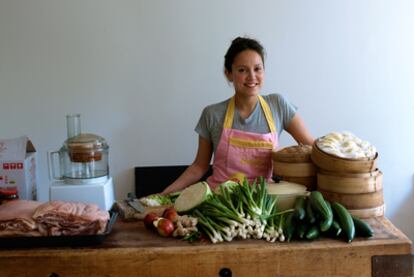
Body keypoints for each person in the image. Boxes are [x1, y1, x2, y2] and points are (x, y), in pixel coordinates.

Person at [161, 36, 314, 194]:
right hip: (220, 203)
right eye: (242, 70)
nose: (252, 76)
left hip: (263, 206)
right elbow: (199, 167)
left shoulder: (278, 105)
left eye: (257, 69)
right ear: (228, 74)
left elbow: (312, 149)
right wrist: (163, 195)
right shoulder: (212, 114)